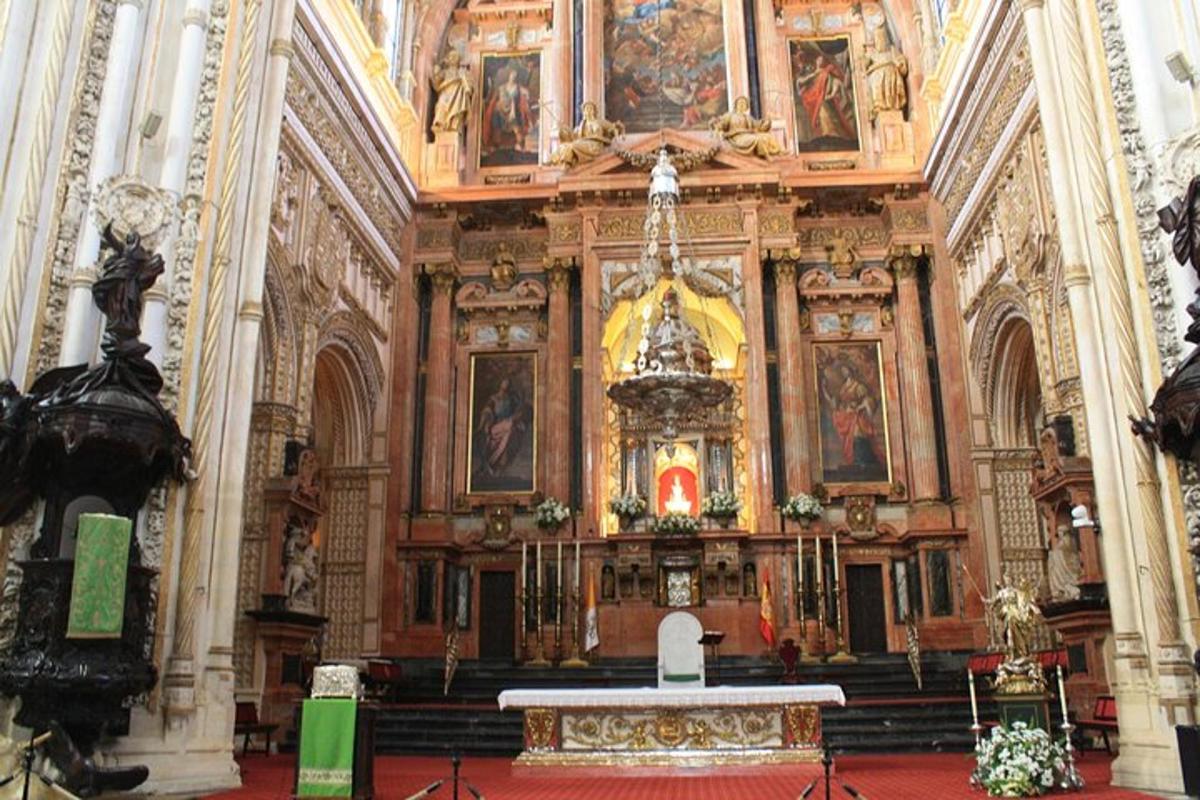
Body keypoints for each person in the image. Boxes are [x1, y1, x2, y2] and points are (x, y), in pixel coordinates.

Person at [796, 52, 856, 143]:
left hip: (824, 99)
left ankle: (830, 133)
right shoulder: (814, 74)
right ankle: (825, 133)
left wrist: (831, 93)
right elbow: (803, 84)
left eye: (822, 59)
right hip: (815, 97)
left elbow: (836, 82)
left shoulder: (826, 72)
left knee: (826, 114)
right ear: (816, 61)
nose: (820, 61)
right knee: (821, 115)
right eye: (818, 59)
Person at [475, 378, 528, 476]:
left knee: (510, 433)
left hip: (507, 428)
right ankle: (489, 464)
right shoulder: (494, 398)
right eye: (504, 384)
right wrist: (483, 425)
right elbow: (487, 411)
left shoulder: (511, 400)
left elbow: (518, 411)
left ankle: (491, 463)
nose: (505, 386)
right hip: (495, 428)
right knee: (511, 424)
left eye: (508, 385)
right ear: (500, 385)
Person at [550, 102, 624, 167]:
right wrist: (563, 129)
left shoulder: (600, 122)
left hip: (594, 145)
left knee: (572, 146)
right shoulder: (580, 127)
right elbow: (571, 136)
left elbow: (614, 128)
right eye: (586, 109)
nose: (588, 111)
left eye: (590, 108)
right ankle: (563, 163)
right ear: (583, 112)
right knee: (565, 145)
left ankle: (566, 163)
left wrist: (617, 132)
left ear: (594, 111)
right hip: (583, 143)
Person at [482, 67, 534, 157]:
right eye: (512, 75)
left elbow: (526, 94)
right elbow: (494, 99)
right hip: (500, 111)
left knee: (517, 129)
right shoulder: (501, 88)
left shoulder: (518, 87)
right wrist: (496, 105)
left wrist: (526, 95)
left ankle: (521, 146)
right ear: (508, 76)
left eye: (515, 75)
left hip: (514, 112)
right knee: (497, 129)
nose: (513, 76)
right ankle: (496, 148)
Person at [711, 96, 783, 158]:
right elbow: (720, 125)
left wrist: (767, 122)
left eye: (744, 104)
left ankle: (779, 151)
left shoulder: (748, 118)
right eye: (740, 103)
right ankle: (765, 155)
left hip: (747, 135)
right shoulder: (730, 116)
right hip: (737, 138)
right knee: (757, 139)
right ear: (736, 105)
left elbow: (758, 126)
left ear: (746, 107)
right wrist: (718, 130)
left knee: (767, 136)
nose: (742, 105)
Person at [432, 50, 474, 133]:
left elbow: (469, 88)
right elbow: (436, 82)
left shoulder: (463, 72)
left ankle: (453, 125)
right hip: (446, 93)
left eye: (455, 57)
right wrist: (436, 70)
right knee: (441, 105)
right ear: (448, 59)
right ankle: (441, 124)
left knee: (459, 105)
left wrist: (463, 79)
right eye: (451, 56)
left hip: (458, 95)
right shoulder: (445, 72)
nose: (453, 59)